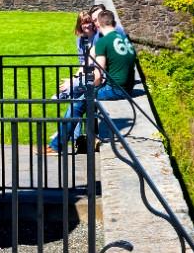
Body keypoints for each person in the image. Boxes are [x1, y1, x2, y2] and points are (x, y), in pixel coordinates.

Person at [47, 8, 135, 154]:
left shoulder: (103, 42)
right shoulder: (124, 39)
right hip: (127, 88)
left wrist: (83, 86)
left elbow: (98, 75)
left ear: (99, 25)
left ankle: (57, 145)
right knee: (82, 100)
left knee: (78, 104)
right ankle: (80, 139)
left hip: (114, 90)